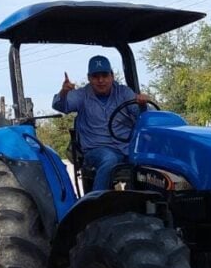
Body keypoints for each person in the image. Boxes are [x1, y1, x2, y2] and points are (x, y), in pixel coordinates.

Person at [52, 55, 149, 191]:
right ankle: (96, 204)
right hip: (95, 150)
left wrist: (142, 104)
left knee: (153, 158)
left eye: (105, 75)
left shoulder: (124, 93)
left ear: (112, 76)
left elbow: (141, 115)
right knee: (110, 159)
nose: (101, 80)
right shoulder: (82, 95)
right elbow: (61, 106)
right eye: (96, 76)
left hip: (126, 148)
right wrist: (64, 92)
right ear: (89, 78)